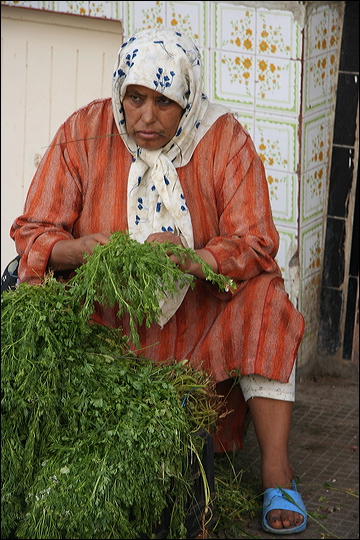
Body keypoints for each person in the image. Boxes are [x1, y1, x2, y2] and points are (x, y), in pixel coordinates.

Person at [10, 29, 307, 534]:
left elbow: (257, 240)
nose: (147, 117)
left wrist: (195, 259)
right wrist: (79, 249)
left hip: (196, 323)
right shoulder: (84, 131)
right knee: (30, 286)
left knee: (267, 294)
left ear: (188, 99)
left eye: (165, 102)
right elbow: (32, 233)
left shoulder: (223, 138)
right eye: (136, 98)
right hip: (106, 324)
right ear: (120, 92)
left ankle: (277, 472)